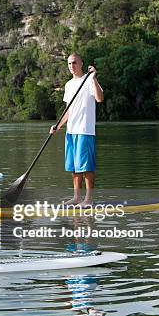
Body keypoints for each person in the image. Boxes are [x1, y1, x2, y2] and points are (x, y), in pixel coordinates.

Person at [50, 53, 104, 206]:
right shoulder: (68, 85)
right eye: (68, 64)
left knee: (86, 167)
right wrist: (58, 126)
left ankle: (89, 199)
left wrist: (93, 78)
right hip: (71, 131)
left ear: (81, 63)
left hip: (85, 130)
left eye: (74, 63)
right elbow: (68, 110)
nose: (71, 66)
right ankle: (76, 197)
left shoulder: (89, 80)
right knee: (74, 166)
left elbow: (100, 98)